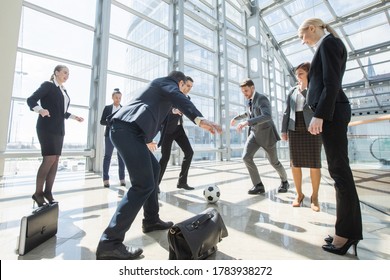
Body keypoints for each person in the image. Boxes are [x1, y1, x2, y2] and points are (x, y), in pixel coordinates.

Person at [96, 71, 222, 260]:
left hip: (132, 132)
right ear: (179, 82)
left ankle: (151, 220)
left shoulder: (164, 94)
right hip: (126, 130)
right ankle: (110, 242)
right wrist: (199, 119)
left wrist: (150, 140)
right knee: (142, 184)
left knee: (154, 171)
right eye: (183, 87)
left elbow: (157, 115)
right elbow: (178, 97)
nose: (183, 91)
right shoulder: (166, 83)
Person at [298, 18, 363, 255]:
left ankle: (345, 235)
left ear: (312, 28)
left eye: (303, 36)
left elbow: (332, 82)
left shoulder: (327, 44)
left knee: (339, 173)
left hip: (332, 113)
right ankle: (346, 231)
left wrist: (321, 115)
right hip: (332, 112)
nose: (303, 42)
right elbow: (323, 83)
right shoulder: (329, 44)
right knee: (339, 173)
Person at [27, 65, 84, 207]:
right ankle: (38, 193)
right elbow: (31, 100)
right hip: (46, 127)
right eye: (65, 72)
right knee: (49, 159)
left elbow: (61, 112)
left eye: (68, 73)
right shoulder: (48, 85)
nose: (67, 75)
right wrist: (40, 110)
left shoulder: (63, 90)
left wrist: (74, 117)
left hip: (59, 129)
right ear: (56, 72)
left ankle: (48, 192)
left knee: (55, 160)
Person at [231, 79, 289, 195]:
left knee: (274, 162)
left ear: (252, 88)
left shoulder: (261, 98)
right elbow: (249, 113)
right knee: (246, 157)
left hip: (267, 135)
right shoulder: (249, 101)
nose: (245, 94)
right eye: (243, 92)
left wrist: (247, 123)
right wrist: (236, 118)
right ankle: (258, 185)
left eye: (246, 91)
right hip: (254, 134)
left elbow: (267, 116)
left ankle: (285, 181)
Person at [281, 62, 322, 212]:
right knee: (295, 163)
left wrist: (305, 86)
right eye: (296, 74)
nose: (297, 77)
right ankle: (299, 195)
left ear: (309, 74)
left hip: (312, 128)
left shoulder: (315, 89)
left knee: (315, 164)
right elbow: (286, 111)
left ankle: (315, 197)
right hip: (294, 128)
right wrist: (284, 130)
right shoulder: (292, 91)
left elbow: (315, 105)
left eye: (301, 74)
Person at [158, 76, 195, 190]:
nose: (189, 88)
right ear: (182, 84)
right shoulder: (172, 94)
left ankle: (182, 182)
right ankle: (155, 184)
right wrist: (173, 110)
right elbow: (164, 107)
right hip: (167, 129)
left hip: (179, 129)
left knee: (189, 152)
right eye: (188, 85)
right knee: (165, 157)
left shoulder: (187, 98)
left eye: (191, 87)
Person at [100, 88, 126, 188]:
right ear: (112, 97)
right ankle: (105, 180)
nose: (118, 99)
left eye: (119, 98)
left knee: (121, 157)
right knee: (107, 157)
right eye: (116, 97)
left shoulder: (123, 108)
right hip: (109, 135)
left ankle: (122, 179)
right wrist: (111, 122)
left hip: (120, 136)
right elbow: (102, 121)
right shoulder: (107, 108)